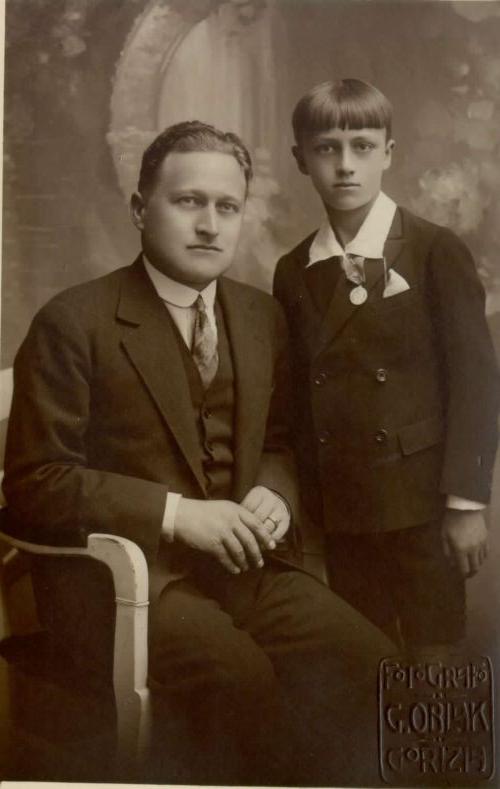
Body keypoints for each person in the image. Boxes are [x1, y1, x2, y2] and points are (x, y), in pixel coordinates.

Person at [3, 120, 393, 786]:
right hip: (124, 583)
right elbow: (36, 482)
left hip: (241, 567)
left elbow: (279, 442)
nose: (210, 225)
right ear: (139, 209)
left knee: (371, 661)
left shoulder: (260, 317)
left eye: (227, 207)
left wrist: (274, 492)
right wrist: (177, 514)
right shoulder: (74, 321)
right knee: (240, 681)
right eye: (189, 202)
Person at [273, 79, 500, 651]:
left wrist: (466, 504)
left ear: (388, 154)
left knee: (433, 656)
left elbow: (476, 385)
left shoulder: (433, 249)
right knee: (362, 656)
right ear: (301, 160)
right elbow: (296, 396)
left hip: (422, 504)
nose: (345, 165)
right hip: (340, 507)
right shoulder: (294, 269)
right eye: (326, 149)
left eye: (362, 146)